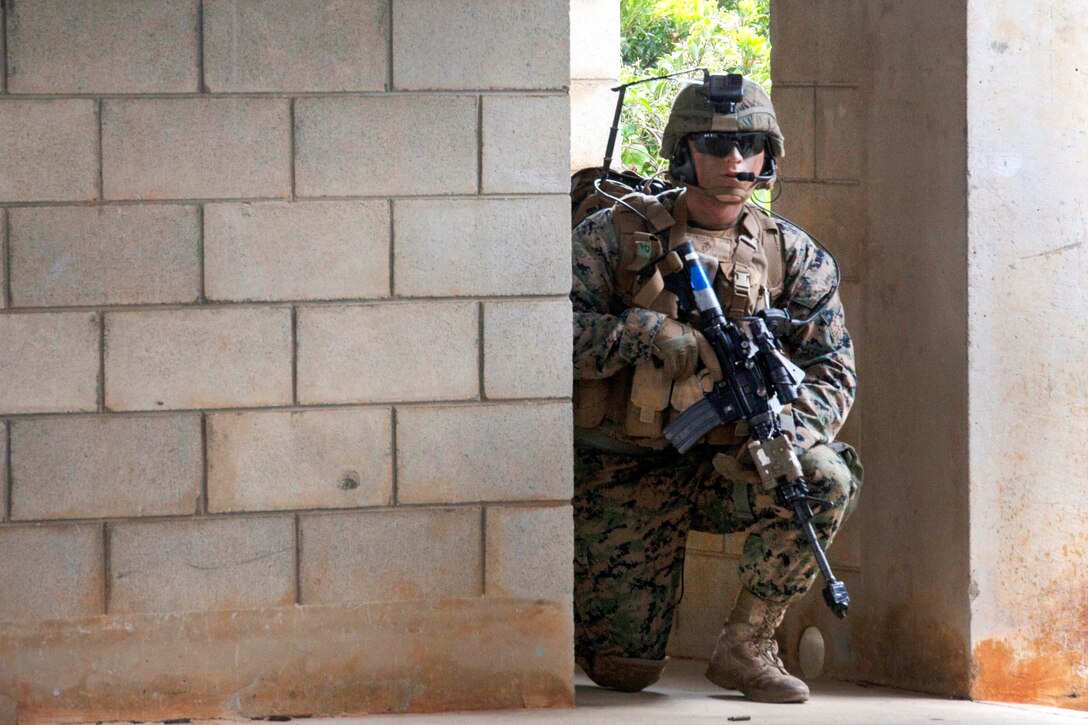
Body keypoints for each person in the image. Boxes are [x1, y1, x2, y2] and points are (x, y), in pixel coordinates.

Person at [570, 74, 862, 704]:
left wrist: (786, 434)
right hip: (627, 470)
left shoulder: (793, 256)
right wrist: (639, 332)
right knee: (624, 670)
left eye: (750, 145)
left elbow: (833, 369)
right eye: (714, 144)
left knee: (825, 475)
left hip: (733, 465)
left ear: (768, 155)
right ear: (683, 151)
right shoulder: (611, 237)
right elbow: (543, 336)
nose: (735, 161)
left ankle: (749, 643)